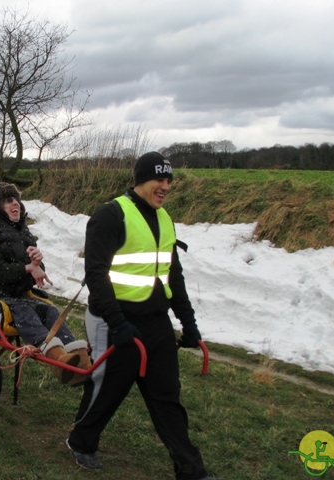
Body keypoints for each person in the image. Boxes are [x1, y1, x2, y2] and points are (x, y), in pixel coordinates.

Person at [65, 153, 222, 480]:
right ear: (140, 180)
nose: (164, 187)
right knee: (107, 389)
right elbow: (96, 275)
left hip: (154, 322)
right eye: (158, 180)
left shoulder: (165, 219)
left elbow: (172, 277)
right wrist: (117, 323)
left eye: (169, 181)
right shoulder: (110, 216)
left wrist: (188, 322)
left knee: (167, 396)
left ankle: (192, 471)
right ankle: (81, 441)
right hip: (114, 321)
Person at [0, 182, 91, 385]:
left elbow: (32, 264)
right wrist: (27, 268)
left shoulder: (21, 229)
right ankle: (60, 363)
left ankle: (78, 360)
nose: (15, 203)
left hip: (19, 291)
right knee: (27, 314)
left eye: (16, 199)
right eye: (8, 200)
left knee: (50, 311)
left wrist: (38, 264)